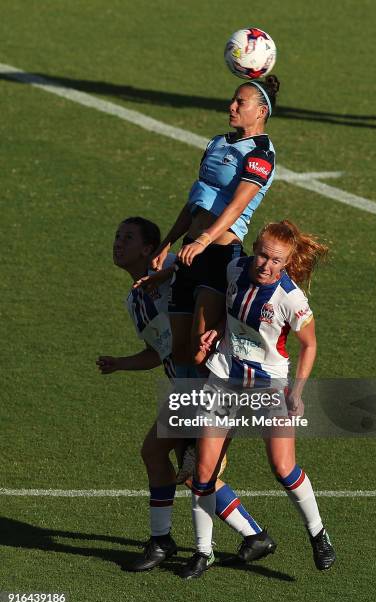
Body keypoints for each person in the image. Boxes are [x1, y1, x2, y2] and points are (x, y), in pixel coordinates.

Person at [96, 216, 276, 572]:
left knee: (160, 455)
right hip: (183, 388)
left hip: (205, 386)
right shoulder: (134, 300)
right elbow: (158, 350)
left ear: (150, 249)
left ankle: (163, 541)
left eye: (127, 238)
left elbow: (210, 308)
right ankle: (254, 536)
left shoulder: (175, 277)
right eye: (117, 236)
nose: (118, 243)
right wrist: (121, 363)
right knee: (193, 474)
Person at [178, 220, 336, 579]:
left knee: (283, 468)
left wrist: (297, 391)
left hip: (269, 385)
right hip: (225, 378)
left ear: (288, 262)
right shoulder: (235, 269)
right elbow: (233, 316)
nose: (265, 265)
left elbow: (309, 344)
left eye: (276, 261)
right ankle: (204, 552)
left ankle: (318, 533)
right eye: (262, 255)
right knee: (203, 472)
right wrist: (215, 333)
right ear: (254, 250)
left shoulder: (292, 300)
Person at [150, 76, 280, 371]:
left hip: (219, 256)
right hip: (189, 252)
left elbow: (236, 206)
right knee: (179, 350)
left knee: (201, 352)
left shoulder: (260, 154)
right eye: (233, 99)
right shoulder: (217, 142)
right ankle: (189, 412)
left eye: (240, 102)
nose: (231, 106)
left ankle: (214, 415)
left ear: (261, 112)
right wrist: (168, 242)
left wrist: (204, 240)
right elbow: (196, 200)